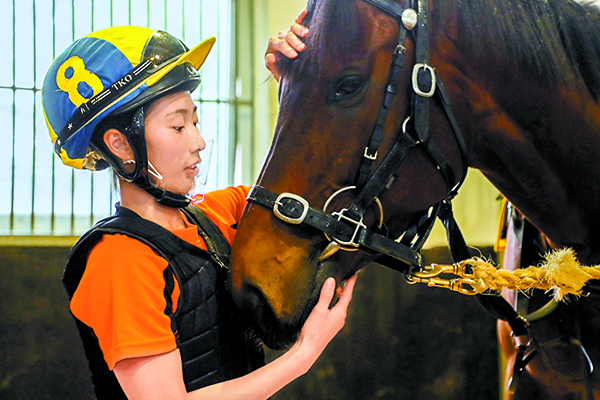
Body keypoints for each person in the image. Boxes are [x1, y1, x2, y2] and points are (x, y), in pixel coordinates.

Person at [42, 11, 357, 400]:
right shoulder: (119, 259)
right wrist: (303, 355)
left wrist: (301, 82)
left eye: (196, 121)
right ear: (120, 144)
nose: (198, 142)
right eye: (178, 126)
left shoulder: (214, 213)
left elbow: (307, 180)